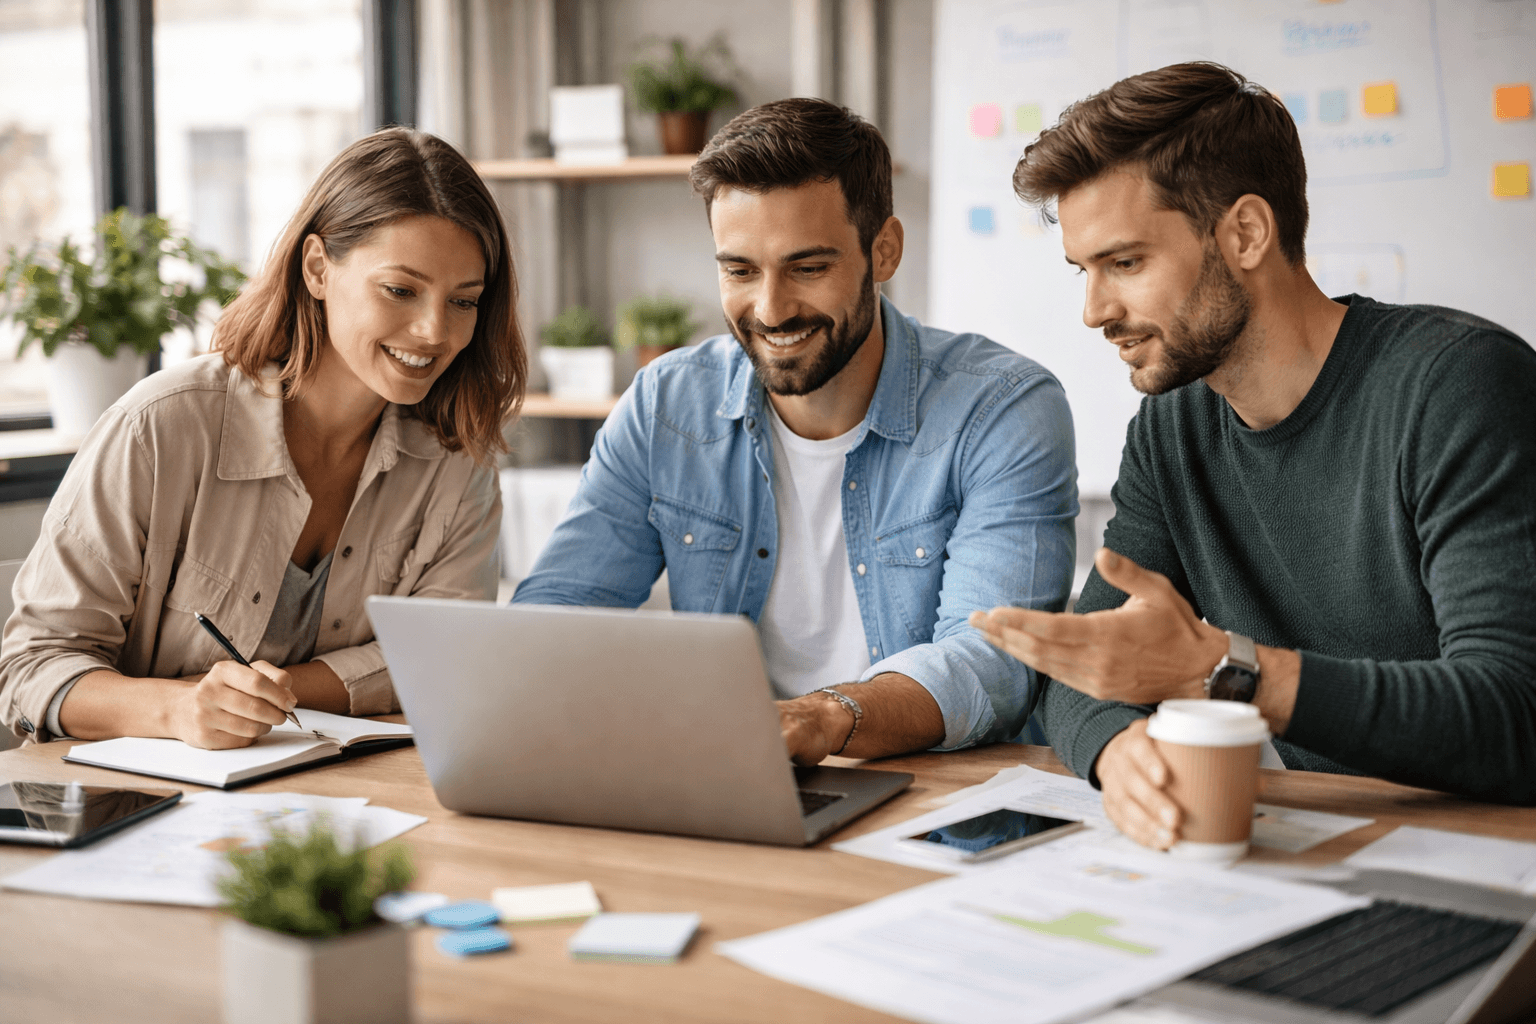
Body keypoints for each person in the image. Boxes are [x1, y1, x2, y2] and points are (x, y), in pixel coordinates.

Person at [969, 61, 1536, 848]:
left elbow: (1515, 712)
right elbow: (1083, 667)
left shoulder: (1459, 386)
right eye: (1083, 271)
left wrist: (1225, 671)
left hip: (1488, 851)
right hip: (1309, 843)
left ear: (1244, 233)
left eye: (1125, 263)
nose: (1095, 311)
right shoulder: (1172, 427)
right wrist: (1119, 752)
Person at [514, 98, 1077, 763]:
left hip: (932, 789)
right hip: (728, 773)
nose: (771, 310)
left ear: (884, 251)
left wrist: (825, 717)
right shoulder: (667, 404)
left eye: (808, 268)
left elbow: (994, 664)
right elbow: (556, 616)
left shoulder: (1003, 409)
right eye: (739, 270)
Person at [0, 128, 526, 749]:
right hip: (130, 795)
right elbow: (32, 668)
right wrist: (177, 710)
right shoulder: (159, 428)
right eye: (400, 290)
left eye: (463, 302)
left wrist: (264, 695)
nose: (434, 331)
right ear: (317, 268)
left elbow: (444, 659)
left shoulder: (458, 461)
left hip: (339, 791)